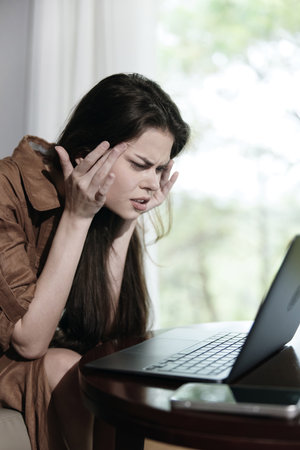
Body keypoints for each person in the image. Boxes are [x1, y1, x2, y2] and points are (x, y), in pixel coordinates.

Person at [0, 73, 190, 449]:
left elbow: (104, 334)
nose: (153, 184)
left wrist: (125, 223)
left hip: (52, 351)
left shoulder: (107, 203)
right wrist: (77, 217)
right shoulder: (8, 187)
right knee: (61, 365)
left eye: (159, 170)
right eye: (140, 164)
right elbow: (29, 342)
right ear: (91, 151)